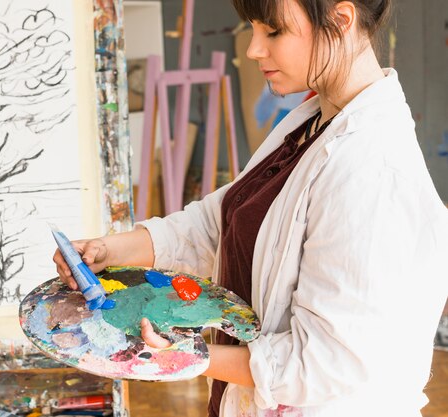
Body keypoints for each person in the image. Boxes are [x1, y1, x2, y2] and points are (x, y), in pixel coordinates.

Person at [54, 0, 448, 416]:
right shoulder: (315, 121)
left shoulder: (373, 171)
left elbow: (327, 364)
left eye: (273, 31)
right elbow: (223, 222)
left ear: (341, 19)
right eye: (253, 29)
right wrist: (110, 250)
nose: (253, 49)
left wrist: (188, 356)